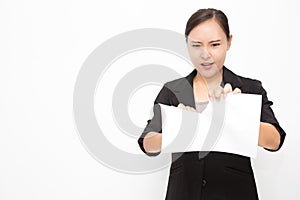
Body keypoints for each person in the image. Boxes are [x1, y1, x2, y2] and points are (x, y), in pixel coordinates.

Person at [138, 8, 286, 200]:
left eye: (215, 44)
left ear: (229, 42)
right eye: (196, 45)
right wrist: (177, 129)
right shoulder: (173, 91)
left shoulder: (249, 87)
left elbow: (275, 141)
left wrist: (235, 113)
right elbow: (147, 144)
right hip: (183, 193)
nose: (205, 54)